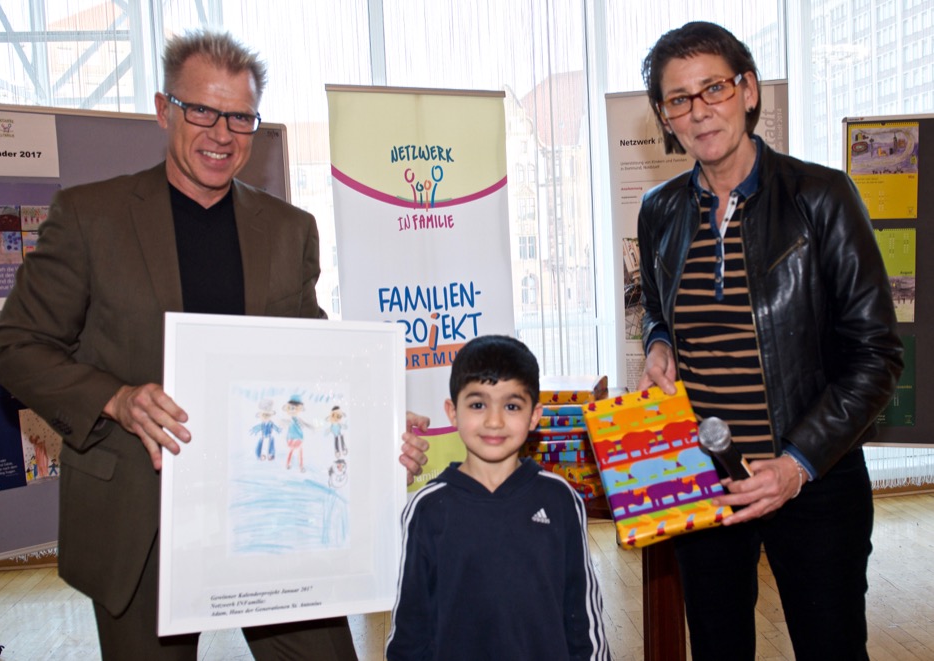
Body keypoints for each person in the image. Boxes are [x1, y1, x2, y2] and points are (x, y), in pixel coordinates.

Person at [0, 29, 429, 660]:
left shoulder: (288, 230)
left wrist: (375, 426)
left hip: (272, 508)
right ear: (164, 110)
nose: (222, 134)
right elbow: (14, 347)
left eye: (241, 117)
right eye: (202, 111)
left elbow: (312, 365)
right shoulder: (90, 218)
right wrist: (116, 399)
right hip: (141, 514)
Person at [636, 21, 903, 661]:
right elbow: (657, 309)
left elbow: (877, 354)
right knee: (718, 648)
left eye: (715, 88)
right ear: (666, 118)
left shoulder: (822, 196)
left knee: (831, 647)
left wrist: (795, 464)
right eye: (679, 99)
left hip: (815, 480)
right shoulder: (660, 209)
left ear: (748, 91)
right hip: (703, 478)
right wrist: (658, 341)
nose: (700, 111)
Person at [385, 335, 610, 661]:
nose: (494, 421)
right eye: (478, 404)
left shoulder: (561, 500)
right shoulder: (427, 509)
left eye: (512, 406)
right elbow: (410, 630)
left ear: (534, 415)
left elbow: (583, 621)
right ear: (452, 411)